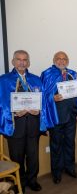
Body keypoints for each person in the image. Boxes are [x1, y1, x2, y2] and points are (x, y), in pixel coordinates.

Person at [0, 50, 46, 192]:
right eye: (18, 59)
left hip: (33, 123)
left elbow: (43, 101)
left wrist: (39, 110)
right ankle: (20, 182)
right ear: (13, 62)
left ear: (28, 62)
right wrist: (13, 112)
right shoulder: (4, 80)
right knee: (17, 157)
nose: (22, 62)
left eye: (25, 59)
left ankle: (32, 180)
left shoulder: (36, 79)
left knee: (33, 156)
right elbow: (1, 103)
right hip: (15, 125)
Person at [41, 51, 77, 184]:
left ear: (67, 61)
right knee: (56, 145)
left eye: (64, 59)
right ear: (54, 60)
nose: (61, 61)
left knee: (70, 143)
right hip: (55, 117)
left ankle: (70, 168)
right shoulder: (47, 74)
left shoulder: (73, 74)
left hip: (70, 116)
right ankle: (56, 173)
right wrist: (52, 98)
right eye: (58, 58)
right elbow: (41, 96)